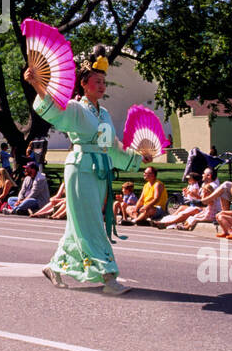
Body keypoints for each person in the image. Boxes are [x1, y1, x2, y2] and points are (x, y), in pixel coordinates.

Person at [25, 44, 143, 295]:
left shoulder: (105, 114)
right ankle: (109, 277)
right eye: (97, 81)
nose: (102, 86)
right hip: (80, 169)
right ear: (84, 84)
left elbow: (111, 145)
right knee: (91, 224)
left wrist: (135, 157)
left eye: (104, 82)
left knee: (79, 225)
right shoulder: (76, 108)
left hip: (99, 171)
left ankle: (54, 266)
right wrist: (36, 83)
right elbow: (53, 110)